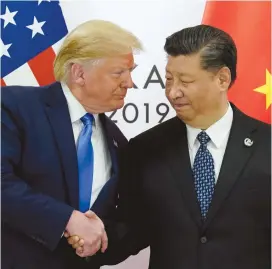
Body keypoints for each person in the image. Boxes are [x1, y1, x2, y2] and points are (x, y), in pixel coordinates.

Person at [70, 24, 271, 269]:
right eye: (168, 79)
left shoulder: (266, 145)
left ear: (222, 79)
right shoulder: (145, 149)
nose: (173, 92)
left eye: (185, 81)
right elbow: (132, 229)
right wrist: (93, 239)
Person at [1, 19, 142, 269]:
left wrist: (98, 241)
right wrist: (67, 220)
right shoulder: (15, 106)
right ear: (79, 73)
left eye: (131, 72)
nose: (129, 82)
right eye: (119, 72)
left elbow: (116, 222)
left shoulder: (118, 141)